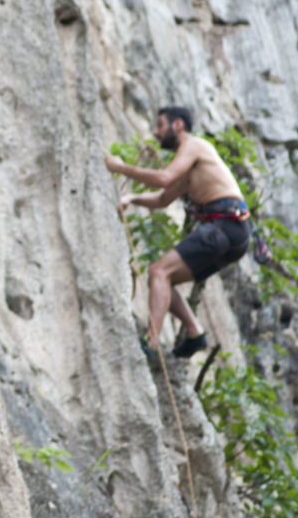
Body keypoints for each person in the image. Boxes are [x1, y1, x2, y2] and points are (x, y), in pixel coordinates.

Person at [104, 105, 252, 361]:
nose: (155, 132)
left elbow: (163, 178)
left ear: (179, 124)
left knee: (158, 271)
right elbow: (163, 198)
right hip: (234, 233)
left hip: (225, 225)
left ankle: (151, 341)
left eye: (160, 125)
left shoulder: (194, 145)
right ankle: (195, 333)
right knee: (164, 278)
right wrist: (133, 198)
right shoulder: (189, 166)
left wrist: (120, 168)